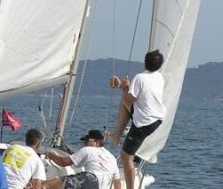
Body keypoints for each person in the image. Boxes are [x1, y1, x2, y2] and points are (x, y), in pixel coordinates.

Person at [107, 50, 166, 189]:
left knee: (125, 157)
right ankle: (116, 136)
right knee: (125, 99)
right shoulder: (159, 77)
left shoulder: (140, 78)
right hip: (157, 119)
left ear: (144, 62)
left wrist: (123, 87)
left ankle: (130, 188)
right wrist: (125, 86)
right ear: (160, 65)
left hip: (144, 123)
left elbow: (128, 99)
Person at [44, 130, 121, 189]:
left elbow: (63, 162)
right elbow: (117, 182)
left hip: (91, 179)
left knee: (57, 183)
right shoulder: (112, 157)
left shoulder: (88, 149)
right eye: (84, 141)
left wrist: (50, 154)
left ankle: (38, 186)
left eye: (87, 140)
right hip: (101, 186)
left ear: (97, 142)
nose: (85, 143)